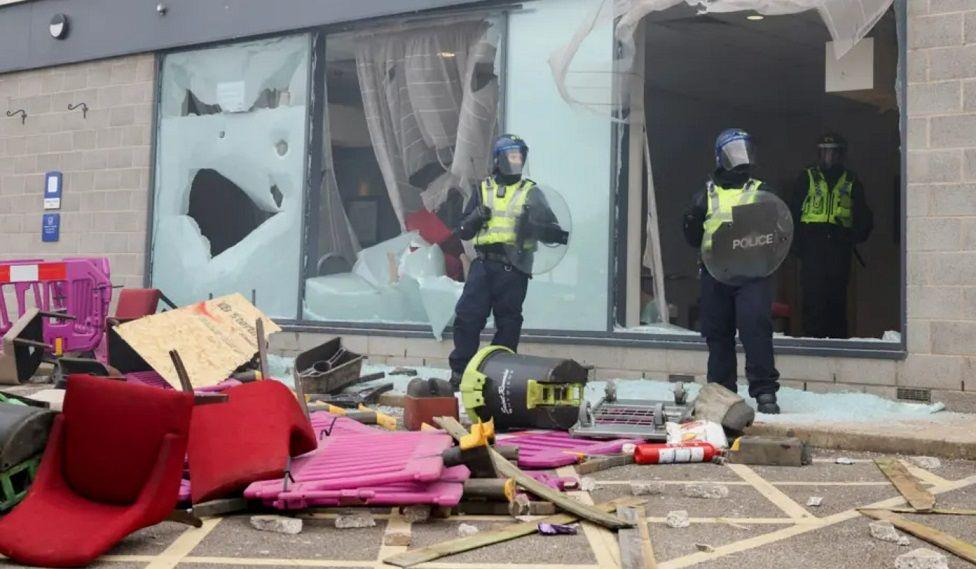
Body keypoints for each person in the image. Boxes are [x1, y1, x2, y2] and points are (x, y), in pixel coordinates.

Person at [448, 134, 568, 388]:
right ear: (498, 159)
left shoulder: (531, 192)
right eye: (512, 156)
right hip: (483, 265)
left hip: (514, 268)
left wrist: (533, 226)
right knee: (467, 317)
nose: (517, 160)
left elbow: (556, 233)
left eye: (520, 156)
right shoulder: (483, 189)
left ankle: (497, 374)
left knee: (508, 323)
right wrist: (475, 217)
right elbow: (463, 231)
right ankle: (461, 373)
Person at [683, 128, 781, 414]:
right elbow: (693, 238)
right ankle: (721, 392)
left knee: (755, 328)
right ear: (720, 157)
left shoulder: (762, 191)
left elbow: (778, 231)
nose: (741, 157)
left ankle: (764, 391)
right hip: (716, 273)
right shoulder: (706, 194)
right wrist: (690, 219)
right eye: (734, 151)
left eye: (744, 150)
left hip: (752, 273)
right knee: (718, 334)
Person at [791, 133, 873, 338]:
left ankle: (838, 347)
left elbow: (864, 219)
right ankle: (813, 347)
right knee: (813, 301)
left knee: (837, 302)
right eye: (825, 151)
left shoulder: (851, 181)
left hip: (839, 247)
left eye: (834, 152)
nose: (829, 157)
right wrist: (798, 246)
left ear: (841, 154)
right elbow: (791, 214)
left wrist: (850, 237)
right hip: (813, 247)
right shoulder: (806, 177)